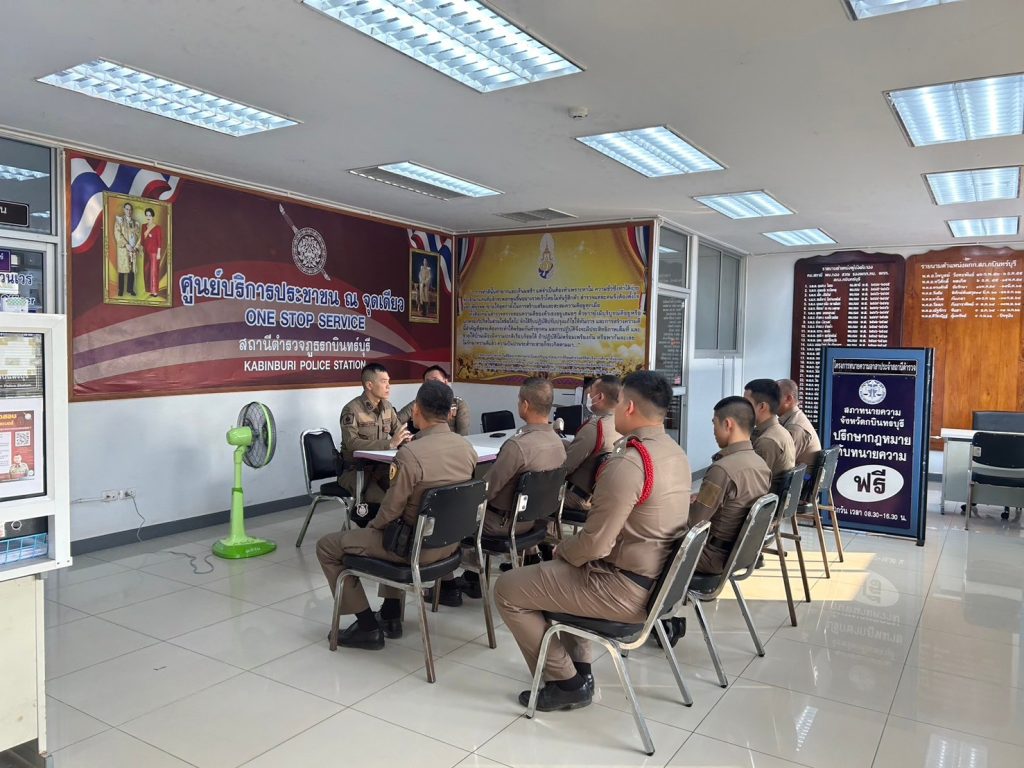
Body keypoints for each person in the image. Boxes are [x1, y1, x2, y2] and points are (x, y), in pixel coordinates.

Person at [494, 371, 691, 711]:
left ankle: (566, 683)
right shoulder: (675, 453)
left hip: (622, 588)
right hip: (656, 582)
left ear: (629, 407)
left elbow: (595, 546)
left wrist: (563, 549)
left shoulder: (630, 463)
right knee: (557, 573)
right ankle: (579, 669)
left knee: (507, 588)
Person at [316, 380, 478, 649]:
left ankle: (367, 627)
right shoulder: (467, 449)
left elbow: (390, 512)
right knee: (398, 530)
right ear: (450, 413)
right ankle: (390, 615)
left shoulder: (410, 455)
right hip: (450, 547)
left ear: (416, 410)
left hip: (413, 552)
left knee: (329, 546)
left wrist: (371, 528)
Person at [432, 376, 565, 607]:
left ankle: (447, 587)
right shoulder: (558, 443)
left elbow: (488, 489)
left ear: (525, 405)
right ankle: (473, 578)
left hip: (502, 524)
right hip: (532, 520)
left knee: (446, 512)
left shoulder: (518, 446)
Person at [690, 396, 771, 575]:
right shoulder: (761, 465)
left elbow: (695, 522)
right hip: (741, 554)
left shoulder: (721, 470)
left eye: (714, 424)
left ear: (727, 424)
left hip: (710, 557)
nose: (713, 431)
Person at [339, 363, 409, 512]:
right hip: (356, 470)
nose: (388, 386)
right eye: (384, 382)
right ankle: (374, 526)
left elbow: (399, 433)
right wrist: (389, 444)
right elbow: (351, 443)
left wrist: (409, 439)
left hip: (382, 468)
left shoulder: (387, 407)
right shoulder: (352, 409)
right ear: (369, 385)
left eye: (389, 381)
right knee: (382, 502)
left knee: (405, 494)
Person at [562, 374, 621, 513]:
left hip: (575, 497)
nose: (588, 396)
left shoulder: (595, 427)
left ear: (600, 397)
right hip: (598, 496)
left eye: (591, 393)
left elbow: (566, 467)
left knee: (528, 490)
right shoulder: (621, 424)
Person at [396, 366, 470, 436]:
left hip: (450, 442)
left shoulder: (458, 404)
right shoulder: (419, 403)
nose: (432, 385)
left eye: (436, 380)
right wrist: (406, 435)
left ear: (445, 382)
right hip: (424, 442)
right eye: (428, 382)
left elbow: (463, 434)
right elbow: (396, 420)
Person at [744, 378, 796, 478]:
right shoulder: (781, 431)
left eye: (747, 404)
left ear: (762, 407)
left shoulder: (767, 441)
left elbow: (752, 481)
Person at [776, 379, 822, 468]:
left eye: (774, 397)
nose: (769, 402)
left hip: (799, 477)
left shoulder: (795, 427)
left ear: (788, 399)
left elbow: (782, 464)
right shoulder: (794, 418)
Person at [113, 202, 141, 297]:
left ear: (132, 211)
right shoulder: (120, 221)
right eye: (127, 209)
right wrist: (126, 244)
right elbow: (117, 234)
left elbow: (139, 236)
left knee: (132, 270)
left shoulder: (136, 223)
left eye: (130, 209)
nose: (129, 211)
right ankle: (121, 290)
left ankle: (130, 289)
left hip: (133, 249)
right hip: (124, 249)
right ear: (124, 210)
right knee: (122, 269)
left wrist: (136, 247)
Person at [142, 207, 163, 297]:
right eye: (147, 215)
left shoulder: (157, 228)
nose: (148, 217)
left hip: (154, 253)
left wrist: (158, 253)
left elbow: (159, 241)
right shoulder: (143, 226)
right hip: (146, 252)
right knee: (146, 271)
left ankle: (155, 292)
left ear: (153, 216)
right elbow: (142, 240)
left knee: (153, 272)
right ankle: (150, 290)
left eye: (150, 215)